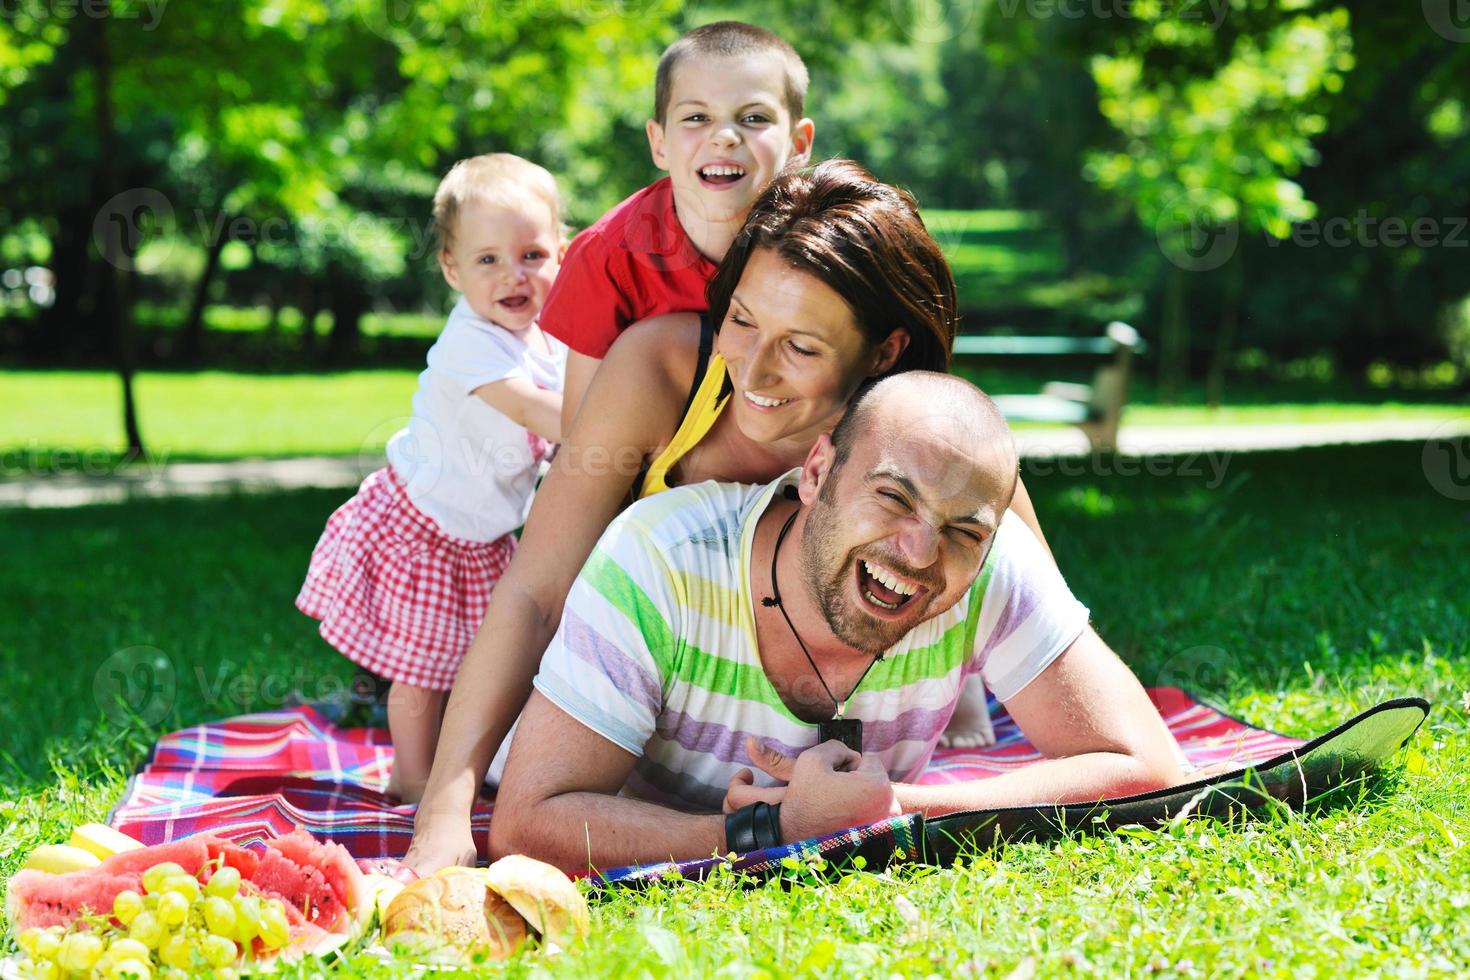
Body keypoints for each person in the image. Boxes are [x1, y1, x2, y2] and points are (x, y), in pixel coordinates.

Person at [405, 160, 975, 874]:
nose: (757, 371)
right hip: (616, 758)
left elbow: (1015, 576)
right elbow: (535, 593)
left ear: (883, 351)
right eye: (740, 318)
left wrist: (890, 800)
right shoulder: (664, 368)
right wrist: (445, 808)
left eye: (800, 346)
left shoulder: (924, 433)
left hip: (812, 769)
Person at [490, 374, 1188, 872]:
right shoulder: (661, 561)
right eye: (892, 497)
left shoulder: (991, 559)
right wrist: (768, 831)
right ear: (818, 470)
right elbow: (526, 824)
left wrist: (891, 807)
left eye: (960, 531)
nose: (919, 552)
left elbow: (1152, 768)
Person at [296, 153, 568, 802]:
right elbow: (540, 414)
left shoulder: (548, 342)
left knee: (476, 662)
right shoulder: (469, 341)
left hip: (481, 537)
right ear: (451, 268)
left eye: (532, 255)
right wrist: (626, 422)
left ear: (562, 252)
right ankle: (413, 779)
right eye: (487, 260)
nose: (513, 275)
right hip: (420, 528)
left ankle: (460, 765)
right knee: (419, 671)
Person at [538, 21, 815, 432]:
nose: (724, 136)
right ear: (659, 143)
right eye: (697, 116)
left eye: (754, 117)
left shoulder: (824, 248)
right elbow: (580, 433)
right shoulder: (607, 256)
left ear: (798, 145)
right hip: (653, 472)